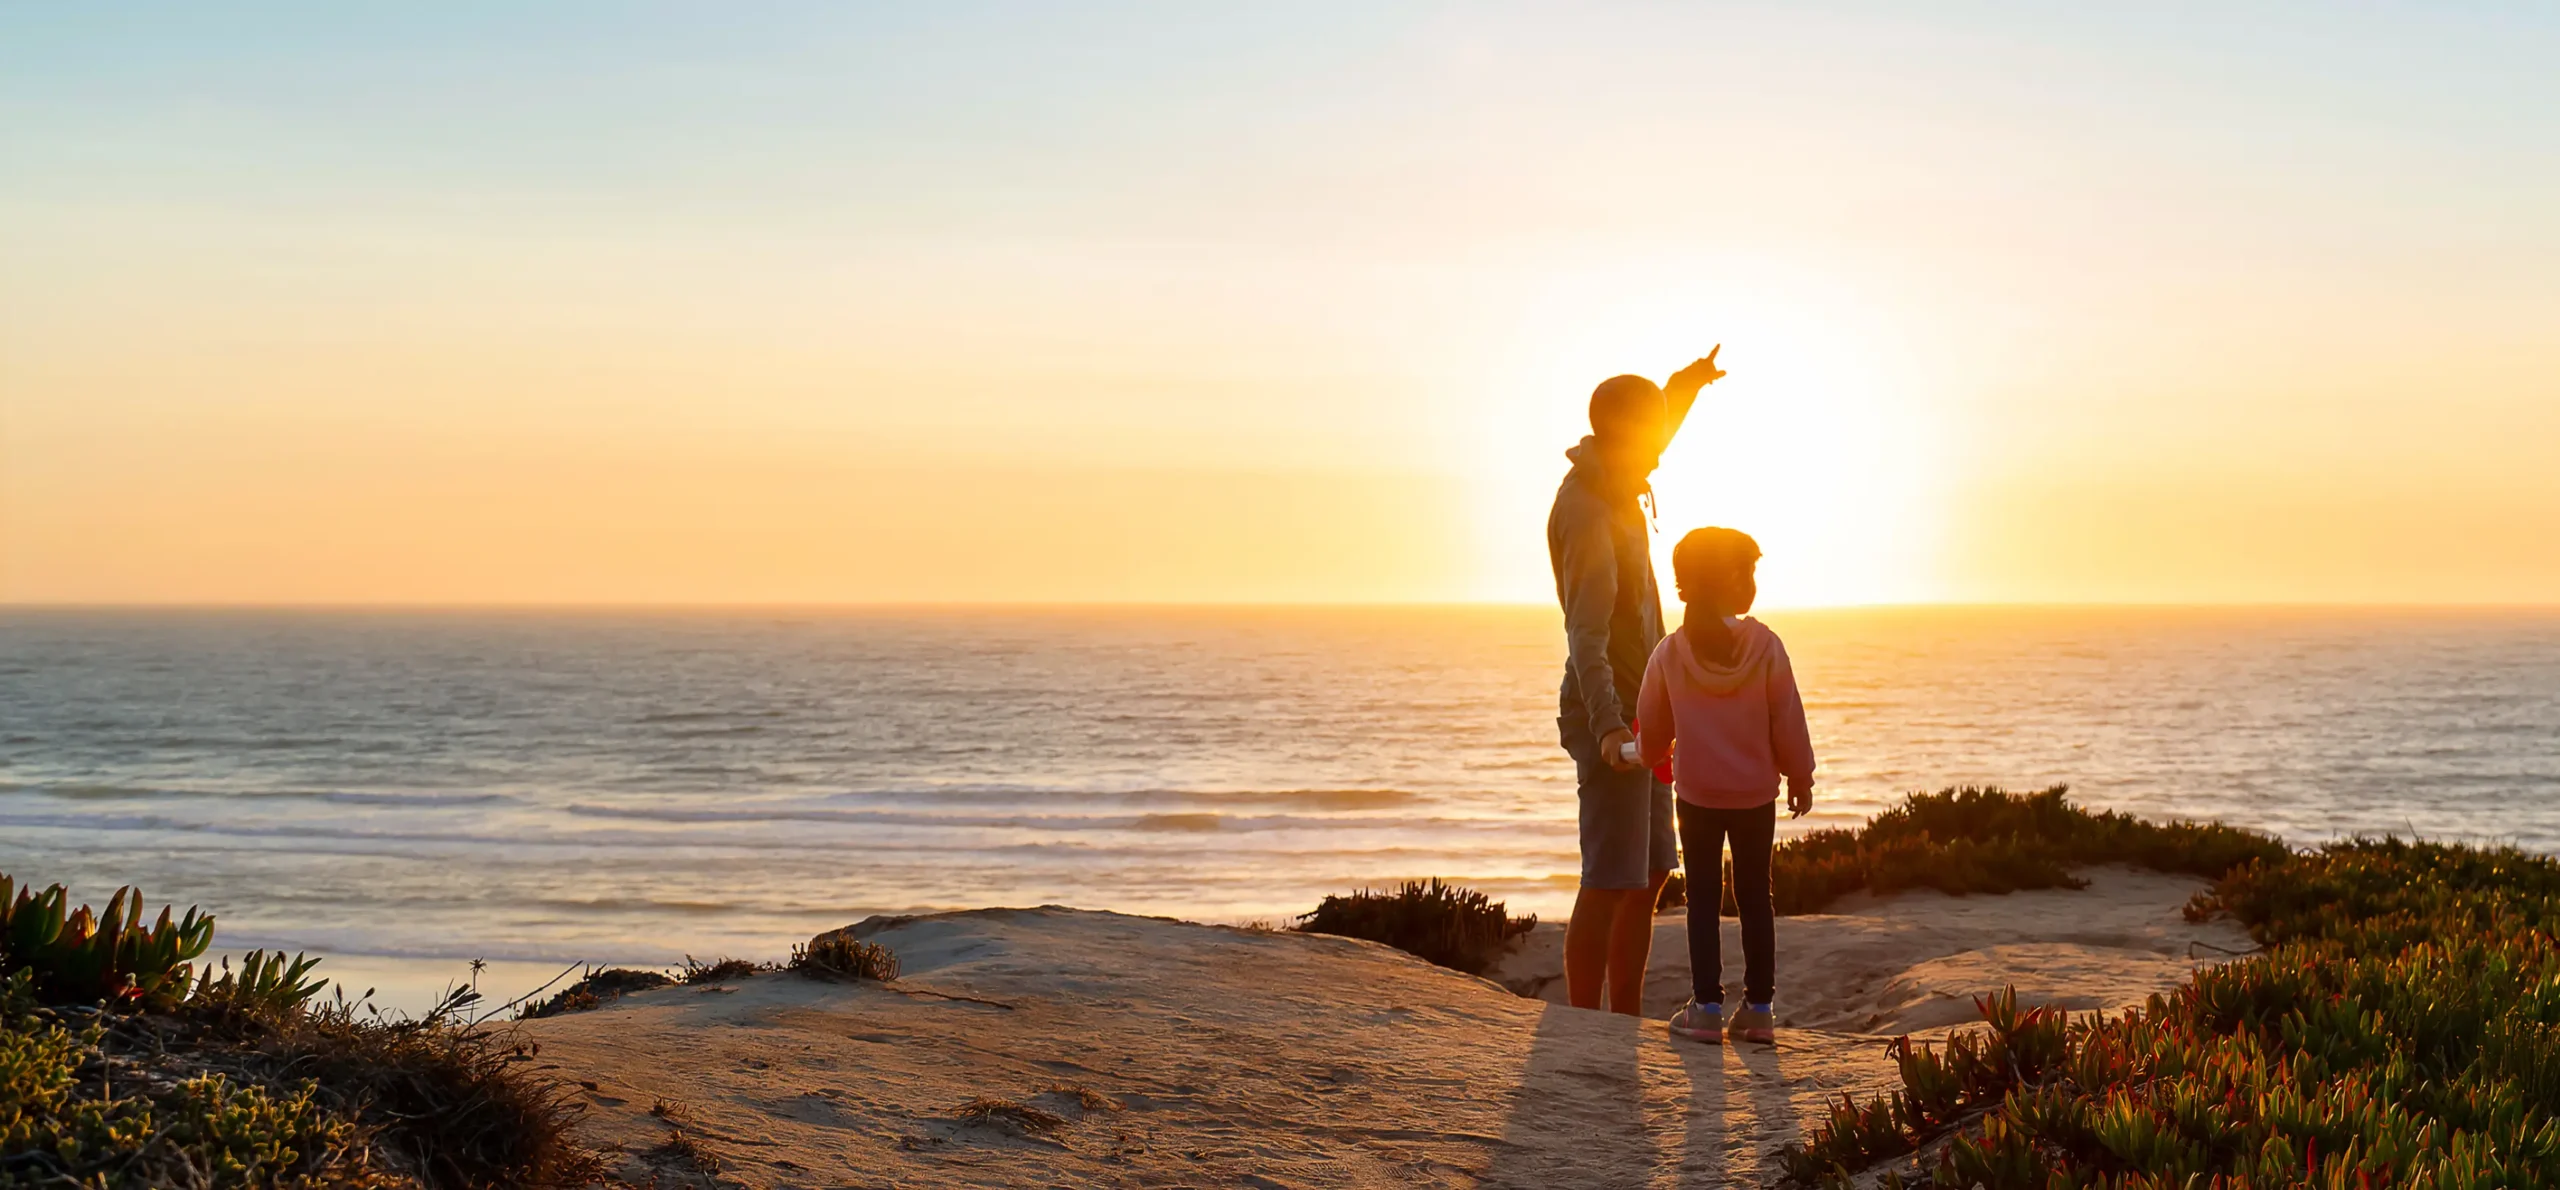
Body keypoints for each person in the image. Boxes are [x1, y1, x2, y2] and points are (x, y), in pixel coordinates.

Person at [1547, 347, 1726, 1015]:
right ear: (1622, 437)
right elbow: (1584, 636)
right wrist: (1610, 727)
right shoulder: (1591, 512)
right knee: (1610, 877)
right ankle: (1584, 1027)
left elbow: (1658, 429)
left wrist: (1687, 384)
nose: (1659, 452)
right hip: (1611, 713)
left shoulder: (1620, 476)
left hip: (1648, 711)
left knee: (1649, 872)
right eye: (1648, 439)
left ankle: (1624, 1017)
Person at [1636, 527, 1815, 1044]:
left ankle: (1707, 1009)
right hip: (1756, 794)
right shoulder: (1765, 646)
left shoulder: (1670, 653)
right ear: (1731, 579)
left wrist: (1648, 756)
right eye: (1750, 571)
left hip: (1697, 795)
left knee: (1702, 900)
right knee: (1757, 896)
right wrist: (1799, 774)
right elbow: (1787, 718)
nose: (1754, 581)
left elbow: (1652, 729)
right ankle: (1759, 1009)